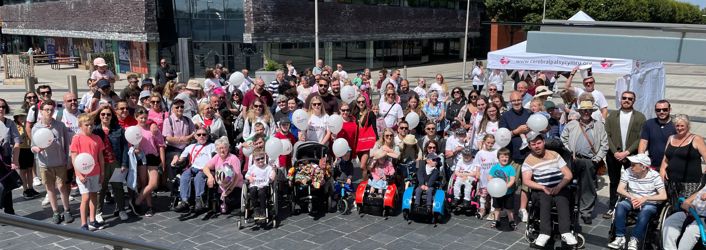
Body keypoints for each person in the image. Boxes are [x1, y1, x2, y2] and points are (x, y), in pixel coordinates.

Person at [522, 132, 577, 247]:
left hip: (560, 186)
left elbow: (568, 175)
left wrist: (558, 187)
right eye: (533, 144)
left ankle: (566, 232)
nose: (537, 146)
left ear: (543, 142)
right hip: (542, 188)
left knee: (562, 199)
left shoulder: (554, 154)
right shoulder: (528, 161)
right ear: (529, 146)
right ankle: (544, 233)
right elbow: (526, 180)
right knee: (544, 199)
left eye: (539, 143)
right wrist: (543, 187)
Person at [561, 96, 608, 225]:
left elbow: (605, 144)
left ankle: (586, 212)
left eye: (588, 110)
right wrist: (570, 152)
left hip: (589, 161)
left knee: (588, 187)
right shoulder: (572, 124)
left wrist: (597, 159)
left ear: (592, 111)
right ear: (579, 112)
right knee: (569, 185)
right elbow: (563, 139)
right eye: (583, 110)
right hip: (574, 160)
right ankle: (569, 209)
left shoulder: (599, 126)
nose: (586, 112)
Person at [608, 153, 666, 250]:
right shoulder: (628, 171)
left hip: (648, 203)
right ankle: (620, 237)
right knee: (621, 205)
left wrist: (645, 198)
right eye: (631, 164)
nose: (631, 167)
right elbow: (619, 189)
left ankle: (634, 240)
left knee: (645, 212)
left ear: (643, 167)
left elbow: (663, 196)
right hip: (632, 200)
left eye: (634, 165)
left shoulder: (655, 176)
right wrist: (632, 197)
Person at [603, 91, 646, 219]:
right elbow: (607, 135)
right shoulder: (612, 116)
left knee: (633, 181)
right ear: (620, 100)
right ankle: (612, 207)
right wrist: (615, 152)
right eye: (624, 98)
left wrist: (627, 152)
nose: (626, 100)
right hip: (613, 155)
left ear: (634, 101)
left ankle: (631, 206)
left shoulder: (640, 117)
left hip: (631, 155)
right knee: (614, 181)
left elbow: (641, 137)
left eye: (630, 99)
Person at [31, 100, 74, 224]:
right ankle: (55, 211)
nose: (49, 112)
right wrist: (37, 149)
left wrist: (68, 159)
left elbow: (67, 144)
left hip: (60, 162)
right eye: (47, 110)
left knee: (62, 187)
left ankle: (67, 210)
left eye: (51, 110)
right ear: (41, 111)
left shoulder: (60, 126)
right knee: (50, 189)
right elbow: (33, 146)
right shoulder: (36, 128)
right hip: (45, 164)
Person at [92, 106, 130, 222]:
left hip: (116, 163)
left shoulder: (119, 129)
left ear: (112, 116)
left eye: (108, 114)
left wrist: (124, 163)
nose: (105, 116)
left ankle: (121, 209)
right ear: (99, 116)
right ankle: (98, 212)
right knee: (101, 188)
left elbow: (124, 147)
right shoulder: (95, 130)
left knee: (118, 186)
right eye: (103, 114)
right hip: (101, 164)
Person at [499, 91, 531, 222]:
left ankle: (522, 209)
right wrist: (517, 131)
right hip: (513, 156)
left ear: (522, 100)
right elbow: (502, 136)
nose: (517, 103)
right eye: (514, 101)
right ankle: (507, 208)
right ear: (510, 102)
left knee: (526, 185)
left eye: (518, 100)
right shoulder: (505, 116)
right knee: (509, 183)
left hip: (529, 156)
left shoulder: (529, 113)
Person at [69, 114, 105, 231]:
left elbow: (100, 157)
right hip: (83, 174)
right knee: (85, 197)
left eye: (91, 124)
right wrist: (78, 174)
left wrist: (102, 173)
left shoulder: (97, 138)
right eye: (86, 125)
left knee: (94, 195)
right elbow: (74, 158)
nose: (90, 127)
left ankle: (93, 220)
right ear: (80, 126)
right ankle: (83, 223)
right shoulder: (76, 138)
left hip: (95, 172)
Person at [660, 114, 706, 203]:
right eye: (677, 126)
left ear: (688, 126)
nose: (679, 128)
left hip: (690, 183)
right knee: (673, 206)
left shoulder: (696, 139)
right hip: (672, 181)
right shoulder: (671, 138)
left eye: (682, 126)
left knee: (685, 208)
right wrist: (662, 170)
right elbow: (666, 158)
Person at [131, 107, 166, 217]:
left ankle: (136, 201)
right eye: (141, 118)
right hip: (140, 158)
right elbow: (130, 144)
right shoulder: (133, 130)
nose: (143, 120)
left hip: (152, 157)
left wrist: (162, 161)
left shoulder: (153, 128)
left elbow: (160, 145)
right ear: (136, 117)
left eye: (145, 118)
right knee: (144, 183)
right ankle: (149, 206)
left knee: (153, 183)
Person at [172, 127, 216, 213]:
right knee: (184, 176)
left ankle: (199, 200)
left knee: (199, 177)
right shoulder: (190, 147)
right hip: (193, 167)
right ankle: (184, 201)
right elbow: (181, 159)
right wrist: (176, 159)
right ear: (195, 136)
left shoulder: (212, 146)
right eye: (199, 135)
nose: (201, 136)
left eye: (204, 134)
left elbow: (217, 157)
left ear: (207, 136)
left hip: (205, 168)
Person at [203, 136, 243, 214]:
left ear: (227, 148)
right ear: (217, 150)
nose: (222, 150)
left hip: (235, 186)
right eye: (219, 148)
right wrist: (210, 176)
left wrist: (229, 190)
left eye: (224, 148)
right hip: (221, 186)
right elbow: (205, 167)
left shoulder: (233, 158)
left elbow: (237, 177)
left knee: (228, 201)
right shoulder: (217, 157)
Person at [663, 183, 706, 250]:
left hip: (703, 219)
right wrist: (687, 203)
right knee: (671, 221)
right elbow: (688, 201)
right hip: (691, 213)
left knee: (691, 231)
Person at [639, 100, 677, 170]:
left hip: (671, 166)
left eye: (665, 110)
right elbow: (643, 143)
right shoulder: (649, 124)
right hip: (653, 166)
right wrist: (641, 160)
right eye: (658, 110)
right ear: (655, 111)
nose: (661, 112)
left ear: (670, 110)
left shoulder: (676, 125)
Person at [0, 99, 20, 214]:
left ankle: (9, 211)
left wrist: (15, 160)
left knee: (7, 185)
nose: (1, 109)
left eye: (3, 106)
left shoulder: (10, 123)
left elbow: (17, 142)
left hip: (5, 159)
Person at [472, 134, 499, 219]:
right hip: (484, 179)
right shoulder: (480, 153)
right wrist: (477, 173)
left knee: (493, 195)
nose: (490, 145)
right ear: (484, 142)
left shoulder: (496, 152)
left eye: (492, 143)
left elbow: (499, 165)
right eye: (488, 142)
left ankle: (492, 210)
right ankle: (482, 209)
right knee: (483, 195)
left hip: (493, 178)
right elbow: (477, 165)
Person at [489, 148, 516, 230]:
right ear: (498, 158)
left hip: (508, 192)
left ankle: (511, 220)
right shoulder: (494, 167)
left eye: (506, 157)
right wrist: (493, 184)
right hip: (497, 192)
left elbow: (512, 180)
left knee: (509, 208)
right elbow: (489, 177)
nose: (505, 159)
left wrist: (505, 187)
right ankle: (496, 220)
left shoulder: (510, 168)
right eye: (502, 157)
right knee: (497, 207)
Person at [14, 110, 39, 199]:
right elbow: (19, 137)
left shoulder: (28, 125)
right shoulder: (16, 126)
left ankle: (31, 188)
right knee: (23, 171)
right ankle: (25, 189)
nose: (21, 118)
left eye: (23, 116)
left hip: (29, 149)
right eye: (19, 116)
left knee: (29, 170)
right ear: (16, 118)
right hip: (21, 150)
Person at [245, 150, 275, 220]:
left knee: (261, 192)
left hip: (264, 186)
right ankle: (256, 209)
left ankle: (263, 210)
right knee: (252, 191)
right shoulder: (252, 167)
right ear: (254, 160)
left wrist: (273, 172)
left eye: (262, 158)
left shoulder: (268, 167)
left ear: (265, 158)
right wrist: (250, 178)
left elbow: (272, 176)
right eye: (258, 159)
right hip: (254, 185)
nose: (260, 160)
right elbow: (246, 175)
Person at [352, 96, 377, 176]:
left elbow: (374, 127)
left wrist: (376, 141)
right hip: (358, 142)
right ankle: (368, 181)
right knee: (365, 166)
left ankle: (365, 183)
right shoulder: (355, 114)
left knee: (362, 166)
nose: (361, 103)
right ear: (357, 103)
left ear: (365, 102)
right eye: (359, 102)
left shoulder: (370, 113)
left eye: (363, 101)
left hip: (367, 142)